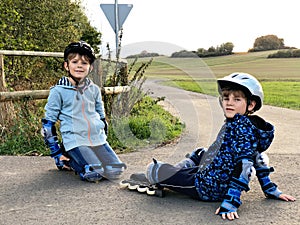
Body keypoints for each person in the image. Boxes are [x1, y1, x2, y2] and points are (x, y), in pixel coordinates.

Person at [120, 72, 295, 220]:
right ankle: (175, 173)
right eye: (226, 97)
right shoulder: (245, 125)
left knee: (154, 168)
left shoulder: (240, 130)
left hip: (206, 186)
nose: (229, 102)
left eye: (237, 99)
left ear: (251, 104)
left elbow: (245, 165)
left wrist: (231, 202)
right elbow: (260, 159)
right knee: (201, 152)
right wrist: (270, 189)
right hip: (212, 173)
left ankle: (157, 177)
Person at [41, 41, 126, 182]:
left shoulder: (94, 90)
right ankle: (67, 160)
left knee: (116, 170)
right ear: (66, 65)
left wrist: (102, 139)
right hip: (75, 141)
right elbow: (48, 124)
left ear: (90, 67)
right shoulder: (58, 91)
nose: (79, 66)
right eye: (74, 62)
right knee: (94, 174)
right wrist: (56, 153)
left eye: (85, 63)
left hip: (96, 139)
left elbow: (102, 118)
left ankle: (88, 159)